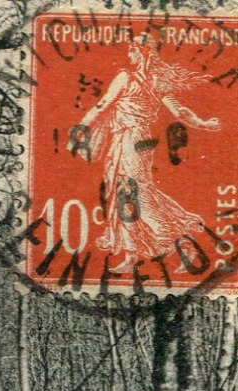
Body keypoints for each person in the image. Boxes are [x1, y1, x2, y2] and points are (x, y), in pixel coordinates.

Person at [75, 36, 220, 270]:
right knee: (123, 193)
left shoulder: (126, 77)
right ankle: (131, 253)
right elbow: (181, 112)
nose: (129, 56)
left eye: (132, 51)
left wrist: (81, 128)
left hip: (131, 140)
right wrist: (203, 124)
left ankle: (183, 242)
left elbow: (103, 105)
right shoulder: (158, 81)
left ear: (141, 53)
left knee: (137, 193)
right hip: (132, 139)